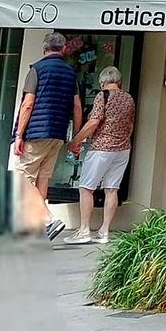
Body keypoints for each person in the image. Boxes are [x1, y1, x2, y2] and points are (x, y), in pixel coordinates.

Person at [12, 32, 81, 240]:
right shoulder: (71, 73)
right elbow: (77, 106)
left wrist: (19, 134)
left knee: (21, 178)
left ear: (44, 48)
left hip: (36, 132)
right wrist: (75, 137)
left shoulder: (37, 69)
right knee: (42, 179)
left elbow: (28, 104)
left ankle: (48, 219)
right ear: (64, 49)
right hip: (58, 133)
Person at [66, 66, 135, 245]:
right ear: (119, 81)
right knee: (112, 189)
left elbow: (94, 121)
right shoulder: (128, 98)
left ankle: (84, 230)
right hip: (123, 149)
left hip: (101, 148)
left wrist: (75, 140)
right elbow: (130, 125)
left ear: (102, 82)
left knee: (86, 188)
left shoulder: (102, 96)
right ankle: (104, 232)